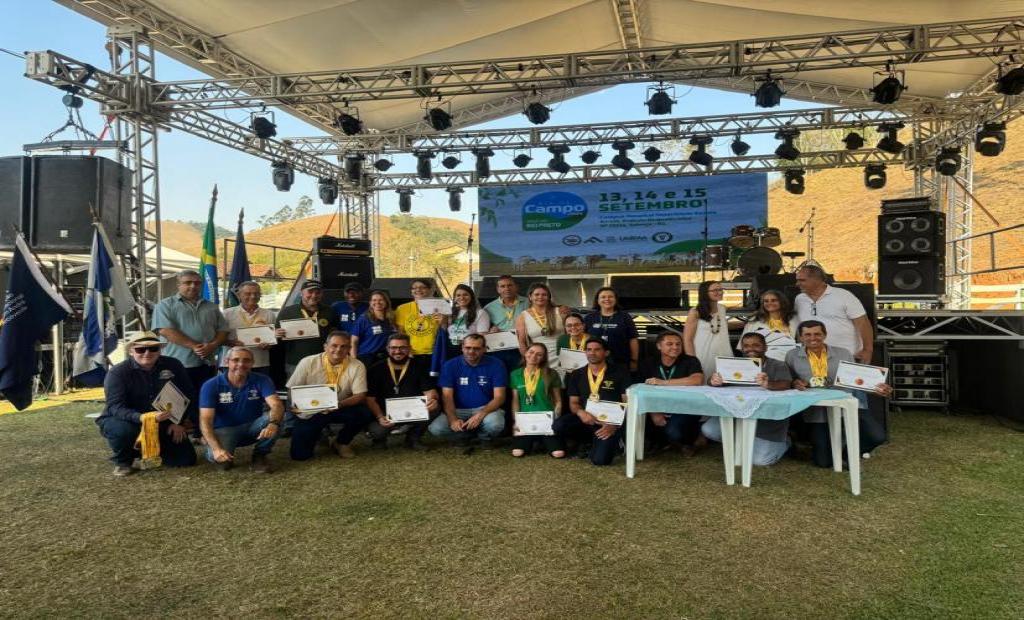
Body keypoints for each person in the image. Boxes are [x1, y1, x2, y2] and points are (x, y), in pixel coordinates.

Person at [786, 320, 892, 468]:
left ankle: (848, 453)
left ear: (825, 335)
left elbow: (856, 380)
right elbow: (789, 380)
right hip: (817, 410)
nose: (812, 338)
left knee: (877, 436)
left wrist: (876, 388)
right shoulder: (791, 356)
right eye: (807, 334)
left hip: (846, 402)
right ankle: (830, 448)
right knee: (824, 462)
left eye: (817, 334)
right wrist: (795, 383)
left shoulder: (843, 353)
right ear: (801, 337)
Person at [96, 331, 197, 476]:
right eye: (140, 349)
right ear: (131, 351)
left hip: (163, 421)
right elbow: (115, 407)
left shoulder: (174, 365)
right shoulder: (117, 373)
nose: (147, 353)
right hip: (127, 420)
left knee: (186, 460)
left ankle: (147, 451)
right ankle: (123, 462)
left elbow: (188, 394)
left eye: (153, 348)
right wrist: (143, 418)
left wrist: (178, 422)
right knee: (124, 431)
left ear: (159, 350)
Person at [702, 332, 794, 466]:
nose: (751, 349)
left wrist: (768, 384)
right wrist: (713, 380)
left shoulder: (778, 365)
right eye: (746, 346)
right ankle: (744, 441)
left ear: (765, 347)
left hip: (767, 423)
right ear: (742, 348)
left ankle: (787, 441)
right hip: (736, 416)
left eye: (756, 345)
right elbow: (712, 381)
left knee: (760, 461)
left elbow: (786, 384)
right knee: (709, 430)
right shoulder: (733, 364)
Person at [286, 331, 373, 460]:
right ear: (325, 346)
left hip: (340, 406)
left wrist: (338, 404)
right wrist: (299, 407)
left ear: (349, 349)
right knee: (300, 456)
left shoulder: (357, 365)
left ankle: (341, 443)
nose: (338, 350)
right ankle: (319, 435)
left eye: (344, 346)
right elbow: (291, 390)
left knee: (364, 413)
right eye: (334, 345)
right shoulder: (307, 362)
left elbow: (360, 395)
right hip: (312, 410)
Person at [198, 347, 284, 473]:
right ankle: (210, 444)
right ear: (227, 362)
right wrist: (216, 449)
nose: (241, 364)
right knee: (222, 463)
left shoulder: (262, 379)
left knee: (279, 416)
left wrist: (273, 423)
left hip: (253, 427)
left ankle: (260, 456)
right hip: (225, 430)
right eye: (236, 360)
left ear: (252, 363)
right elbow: (205, 419)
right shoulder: (211, 385)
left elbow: (277, 404)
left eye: (246, 360)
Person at [150, 269, 228, 401]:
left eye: (197, 283)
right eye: (188, 282)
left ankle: (203, 422)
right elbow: (165, 330)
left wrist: (213, 345)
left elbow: (223, 330)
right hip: (177, 365)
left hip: (207, 364)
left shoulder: (211, 307)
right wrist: (194, 346)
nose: (193, 286)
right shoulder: (164, 305)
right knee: (178, 403)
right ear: (178, 285)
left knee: (205, 400)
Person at [553, 337, 632, 466]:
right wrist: (581, 413)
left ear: (606, 353)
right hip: (587, 419)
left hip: (609, 422)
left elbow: (627, 402)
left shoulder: (620, 372)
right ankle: (586, 441)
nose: (592, 353)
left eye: (597, 350)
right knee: (559, 425)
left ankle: (617, 441)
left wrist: (614, 425)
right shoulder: (577, 374)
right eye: (589, 350)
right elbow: (573, 402)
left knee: (600, 461)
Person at [428, 334, 507, 453]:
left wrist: (481, 414)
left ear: (485, 349)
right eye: (468, 347)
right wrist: (453, 418)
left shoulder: (496, 364)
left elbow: (500, 397)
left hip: (485, 409)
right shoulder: (450, 365)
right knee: (436, 429)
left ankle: (484, 437)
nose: (471, 351)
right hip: (458, 410)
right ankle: (463, 436)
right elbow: (447, 396)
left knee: (495, 424)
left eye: (476, 348)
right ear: (462, 347)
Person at [364, 334, 440, 451]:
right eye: (393, 348)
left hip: (412, 410)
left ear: (409, 348)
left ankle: (413, 439)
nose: (397, 351)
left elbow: (429, 391)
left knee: (435, 407)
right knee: (377, 431)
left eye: (402, 347)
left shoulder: (419, 366)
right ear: (387, 349)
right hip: (385, 412)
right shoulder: (376, 369)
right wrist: (380, 417)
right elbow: (370, 399)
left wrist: (432, 399)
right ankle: (379, 440)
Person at [637, 331, 705, 456]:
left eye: (678, 344)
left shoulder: (690, 360)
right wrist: (653, 412)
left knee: (674, 431)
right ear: (659, 346)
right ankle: (663, 442)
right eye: (669, 344)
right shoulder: (648, 363)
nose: (675, 347)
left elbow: (697, 380)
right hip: (657, 406)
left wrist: (664, 382)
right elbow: (640, 389)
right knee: (642, 418)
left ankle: (689, 441)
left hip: (684, 407)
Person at [793, 264, 874, 364]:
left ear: (817, 280)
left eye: (802, 280)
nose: (797, 284)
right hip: (813, 358)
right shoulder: (799, 299)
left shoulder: (843, 296)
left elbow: (863, 323)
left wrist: (867, 350)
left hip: (846, 358)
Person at [509, 343, 564, 458]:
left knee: (558, 454)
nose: (534, 356)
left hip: (546, 418)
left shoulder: (551, 373)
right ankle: (535, 441)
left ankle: (541, 440)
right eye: (531, 352)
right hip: (525, 420)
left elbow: (558, 400)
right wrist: (516, 421)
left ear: (543, 358)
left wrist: (555, 419)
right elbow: (515, 400)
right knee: (517, 453)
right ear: (525, 353)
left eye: (539, 354)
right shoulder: (515, 374)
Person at [275, 279, 341, 375]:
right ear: (301, 292)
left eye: (317, 292)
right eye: (310, 292)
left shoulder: (329, 311)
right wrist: (276, 334)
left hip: (323, 362)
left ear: (321, 294)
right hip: (295, 363)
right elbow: (276, 337)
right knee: (295, 390)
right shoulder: (287, 312)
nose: (314, 295)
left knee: (323, 389)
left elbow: (335, 334)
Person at [220, 280, 277, 375]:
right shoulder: (227, 314)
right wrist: (229, 342)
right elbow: (218, 338)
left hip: (259, 363)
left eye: (256, 294)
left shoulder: (269, 314)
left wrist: (269, 345)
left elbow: (273, 339)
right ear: (239, 295)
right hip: (233, 363)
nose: (253, 296)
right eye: (248, 293)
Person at [683, 280, 732, 379]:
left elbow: (722, 326)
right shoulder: (695, 312)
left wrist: (748, 322)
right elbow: (687, 339)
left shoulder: (722, 308)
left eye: (720, 289)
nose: (719, 292)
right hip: (703, 354)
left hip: (723, 352)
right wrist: (693, 362)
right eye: (715, 290)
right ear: (705, 293)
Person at [583, 287, 640, 371]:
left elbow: (633, 339)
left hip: (620, 362)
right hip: (595, 363)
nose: (607, 299)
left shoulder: (624, 317)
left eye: (610, 296)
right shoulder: (590, 317)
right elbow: (583, 339)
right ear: (597, 300)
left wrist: (634, 360)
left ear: (615, 299)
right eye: (603, 297)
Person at [483, 275, 530, 370]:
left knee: (520, 376)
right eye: (503, 286)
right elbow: (483, 331)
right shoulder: (489, 308)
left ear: (516, 287)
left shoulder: (529, 302)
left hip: (523, 346)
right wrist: (490, 331)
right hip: (500, 348)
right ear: (498, 289)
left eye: (510, 285)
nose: (507, 288)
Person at [741, 289, 800, 362]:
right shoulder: (754, 321)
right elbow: (743, 346)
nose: (769, 303)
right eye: (766, 301)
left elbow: (800, 343)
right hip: (763, 362)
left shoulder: (794, 320)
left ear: (782, 302)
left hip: (789, 360)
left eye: (774, 300)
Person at [515, 282, 563, 371]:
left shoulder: (560, 311)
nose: (540, 297)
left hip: (562, 356)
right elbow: (521, 342)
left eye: (544, 294)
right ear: (530, 297)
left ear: (549, 297)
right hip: (538, 357)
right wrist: (529, 361)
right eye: (536, 294)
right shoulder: (523, 316)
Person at [394, 278, 443, 358]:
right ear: (411, 291)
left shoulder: (440, 307)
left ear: (429, 290)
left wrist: (443, 321)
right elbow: (401, 332)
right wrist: (405, 349)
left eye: (422, 287)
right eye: (415, 288)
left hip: (434, 352)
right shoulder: (402, 308)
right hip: (411, 353)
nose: (418, 290)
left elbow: (445, 329)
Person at [350, 289, 397, 366]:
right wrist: (354, 361)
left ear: (386, 302)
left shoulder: (392, 318)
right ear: (370, 303)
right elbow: (354, 341)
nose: (377, 302)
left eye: (381, 300)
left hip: (385, 358)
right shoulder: (364, 319)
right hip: (366, 357)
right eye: (374, 300)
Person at [443, 284, 490, 359]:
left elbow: (482, 336)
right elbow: (445, 331)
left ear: (471, 296)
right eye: (458, 295)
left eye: (465, 295)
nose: (462, 298)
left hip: (469, 350)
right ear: (454, 298)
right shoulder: (450, 312)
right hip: (450, 349)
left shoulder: (480, 313)